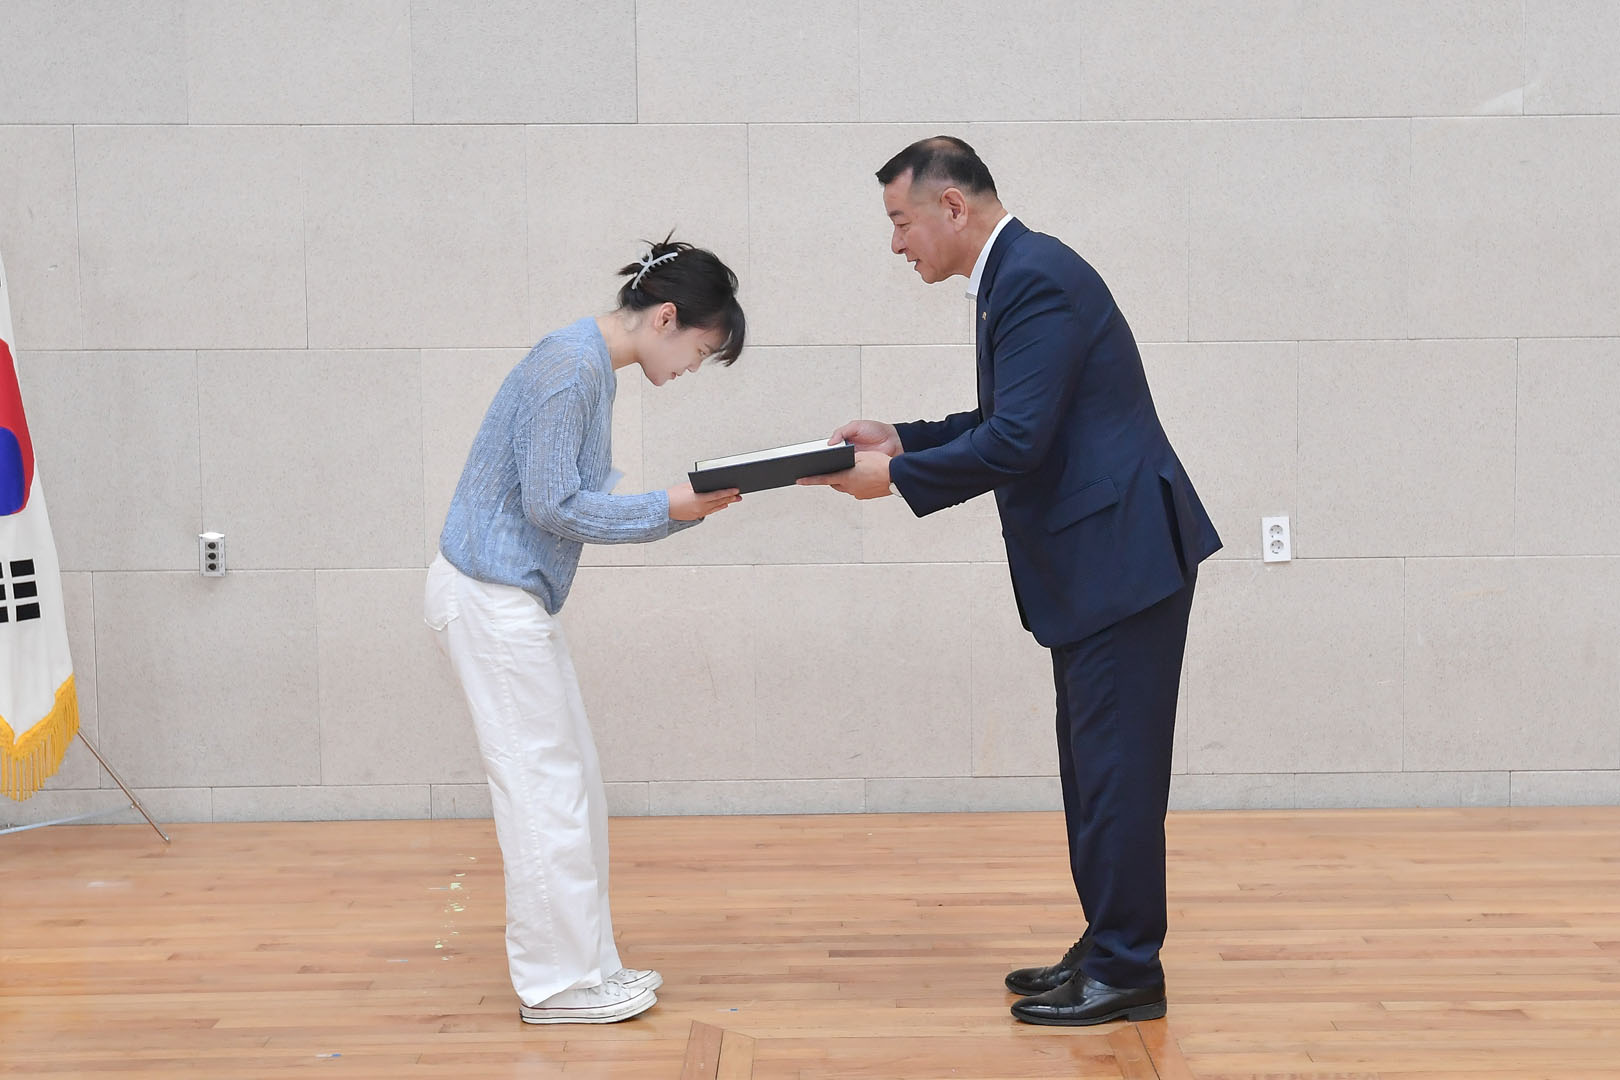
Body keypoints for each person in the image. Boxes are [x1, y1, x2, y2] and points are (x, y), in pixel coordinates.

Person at [801, 137, 1221, 1026]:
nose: (895, 243)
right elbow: (1011, 418)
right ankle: (1107, 945)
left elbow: (1017, 442)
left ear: (952, 206)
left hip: (1123, 562)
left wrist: (895, 478)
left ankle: (1128, 970)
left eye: (901, 221)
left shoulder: (1034, 278)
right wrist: (905, 439)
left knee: (1116, 774)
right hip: (1104, 563)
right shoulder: (1015, 276)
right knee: (1095, 770)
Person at [425, 237, 745, 1025]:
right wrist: (670, 508)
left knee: (571, 787)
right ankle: (558, 987)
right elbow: (553, 505)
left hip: (507, 598)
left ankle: (588, 967)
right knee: (545, 794)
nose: (693, 368)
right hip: (490, 595)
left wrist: (673, 512)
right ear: (665, 318)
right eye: (699, 350)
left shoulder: (587, 363)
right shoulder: (572, 366)